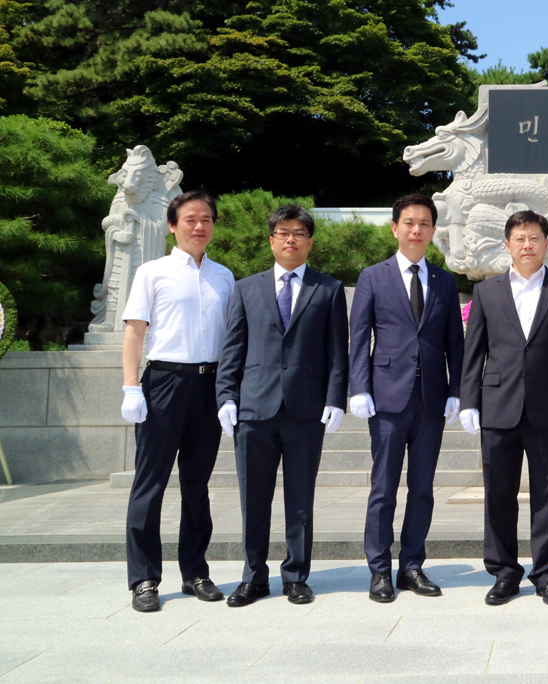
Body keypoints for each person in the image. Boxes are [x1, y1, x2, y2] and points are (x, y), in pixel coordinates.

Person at [214, 204, 349, 607]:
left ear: (310, 242)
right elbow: (232, 348)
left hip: (306, 410)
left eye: (299, 233)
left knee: (300, 499)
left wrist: (335, 398)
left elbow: (337, 352)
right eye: (283, 233)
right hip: (254, 408)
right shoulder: (246, 288)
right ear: (271, 240)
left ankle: (296, 575)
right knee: (253, 497)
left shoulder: (328, 289)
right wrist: (225, 395)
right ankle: (253, 577)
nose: (291, 239)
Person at [458, 211, 548, 607]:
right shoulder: (487, 291)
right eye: (520, 238)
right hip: (498, 406)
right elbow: (474, 351)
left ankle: (546, 575)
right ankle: (504, 573)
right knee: (499, 495)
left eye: (534, 238)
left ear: (546, 243)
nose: (527, 244)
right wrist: (469, 401)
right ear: (507, 245)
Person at [120, 191, 235, 612]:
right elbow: (135, 332)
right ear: (172, 226)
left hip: (210, 385)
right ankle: (144, 579)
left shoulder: (224, 276)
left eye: (206, 219)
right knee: (149, 483)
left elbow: (233, 338)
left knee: (197, 484)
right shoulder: (152, 272)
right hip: (164, 383)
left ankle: (195, 572)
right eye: (190, 219)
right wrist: (131, 386)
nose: (199, 226)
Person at [349, 193, 464, 602]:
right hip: (386, 398)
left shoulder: (444, 281)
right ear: (395, 228)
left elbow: (455, 342)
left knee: (422, 488)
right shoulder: (373, 277)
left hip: (431, 399)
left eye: (425, 223)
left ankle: (412, 565)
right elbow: (359, 337)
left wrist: (456, 390)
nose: (417, 230)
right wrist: (358, 387)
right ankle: (379, 569)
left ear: (433, 231)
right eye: (410, 223)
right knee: (383, 488)